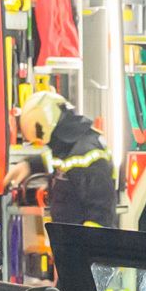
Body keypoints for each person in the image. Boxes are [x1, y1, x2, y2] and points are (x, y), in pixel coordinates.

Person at [17, 87, 117, 229]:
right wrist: (30, 165)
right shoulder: (71, 146)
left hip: (84, 243)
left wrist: (86, 243)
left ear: (44, 127)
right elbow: (58, 160)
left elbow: (100, 211)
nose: (44, 144)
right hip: (70, 239)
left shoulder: (86, 154)